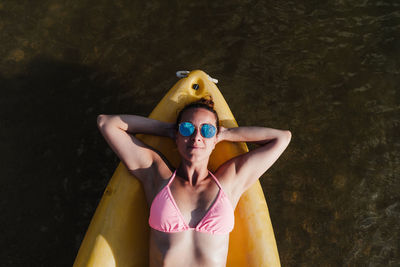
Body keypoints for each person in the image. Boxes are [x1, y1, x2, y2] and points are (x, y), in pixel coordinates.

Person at [97, 97, 291, 267]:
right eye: (187, 128)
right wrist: (168, 130)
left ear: (215, 138)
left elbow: (282, 138)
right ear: (177, 134)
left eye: (206, 130)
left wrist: (224, 135)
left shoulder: (230, 180)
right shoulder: (156, 174)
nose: (196, 137)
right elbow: (107, 123)